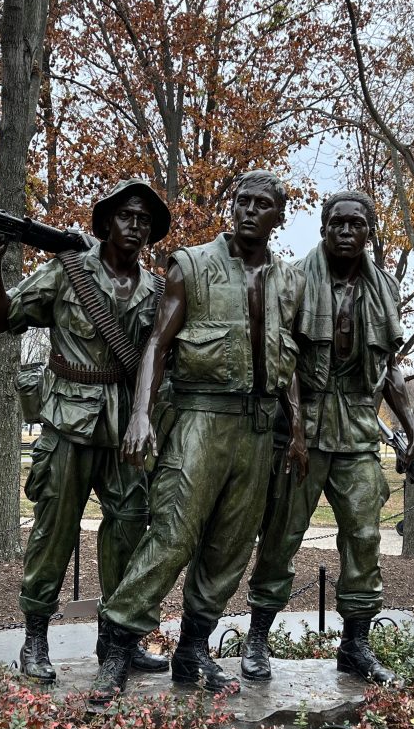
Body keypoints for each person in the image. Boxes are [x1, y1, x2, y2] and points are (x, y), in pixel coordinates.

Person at [91, 170, 307, 701]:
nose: (248, 210)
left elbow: (289, 360)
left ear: (279, 217)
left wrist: (298, 428)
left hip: (258, 428)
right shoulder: (191, 265)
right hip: (200, 418)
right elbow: (157, 345)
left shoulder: (288, 280)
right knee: (172, 535)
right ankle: (117, 646)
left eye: (261, 204)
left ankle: (192, 649)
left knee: (230, 546)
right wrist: (141, 414)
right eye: (242, 200)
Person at [0, 180, 172, 682]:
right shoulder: (67, 271)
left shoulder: (157, 291)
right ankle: (35, 639)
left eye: (145, 220)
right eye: (127, 215)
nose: (136, 226)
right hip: (68, 422)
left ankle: (117, 641)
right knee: (54, 532)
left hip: (126, 430)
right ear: (106, 222)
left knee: (129, 529)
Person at [241, 191, 414, 685]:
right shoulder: (295, 279)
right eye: (337, 223)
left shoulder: (383, 288)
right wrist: (297, 431)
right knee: (281, 535)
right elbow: (283, 359)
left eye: (355, 224)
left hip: (358, 429)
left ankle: (355, 645)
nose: (345, 231)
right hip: (302, 426)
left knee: (364, 536)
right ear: (324, 229)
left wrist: (412, 432)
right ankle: (257, 638)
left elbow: (389, 369)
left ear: (368, 232)